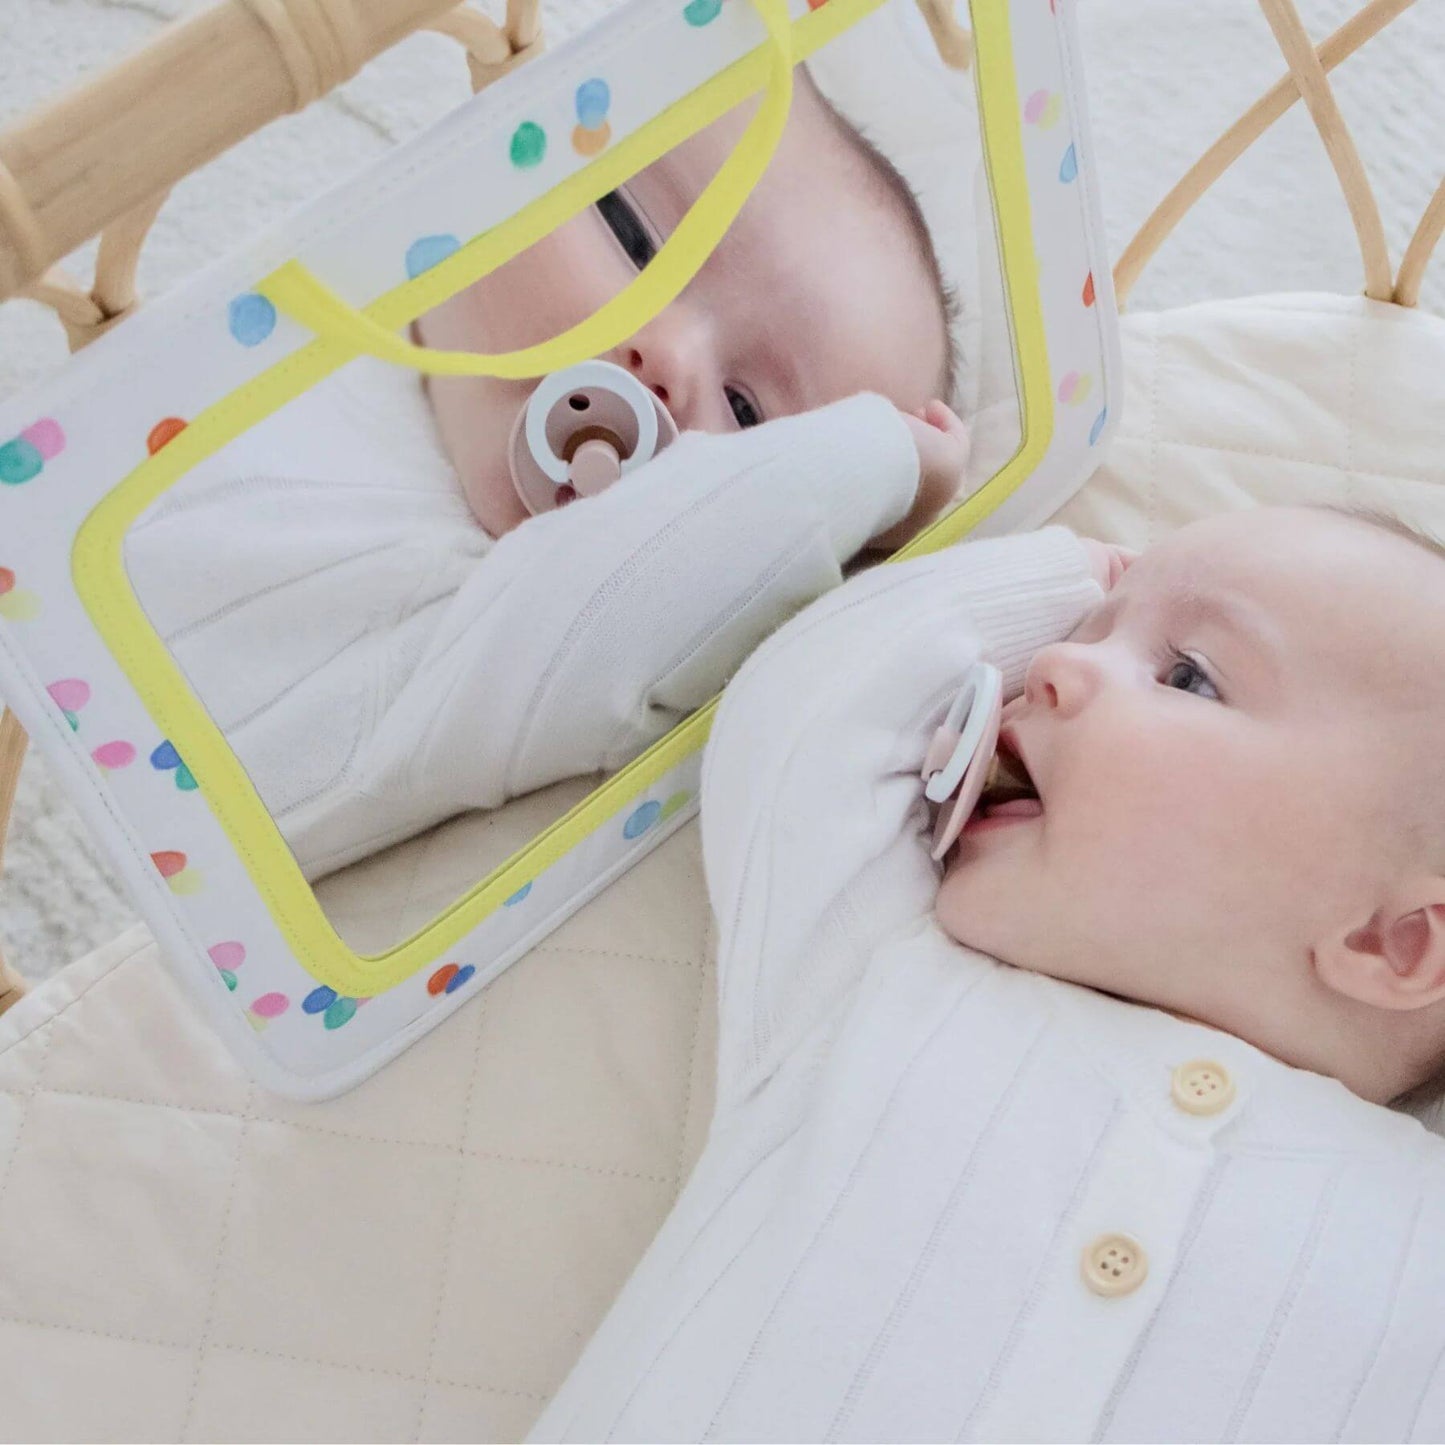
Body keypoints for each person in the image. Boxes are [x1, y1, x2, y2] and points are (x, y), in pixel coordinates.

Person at [525, 506, 1445, 1442]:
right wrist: (1075, 572)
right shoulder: (878, 978)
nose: (1050, 664)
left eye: (1188, 676)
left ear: (1395, 943)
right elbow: (814, 708)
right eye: (1082, 632)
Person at [123, 68, 973, 879]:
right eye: (633, 235)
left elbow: (650, 582)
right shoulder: (317, 298)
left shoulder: (525, 627)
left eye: (749, 416)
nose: (667, 357)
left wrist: (881, 467)